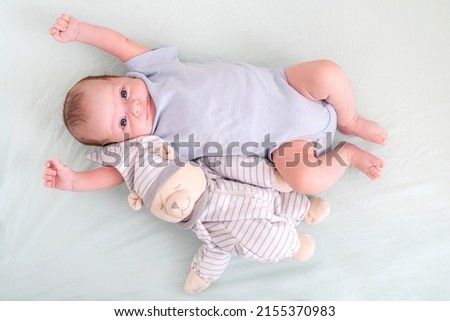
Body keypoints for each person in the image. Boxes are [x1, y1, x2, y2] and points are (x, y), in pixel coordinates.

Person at [43, 13, 387, 195]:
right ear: (126, 141)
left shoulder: (155, 71)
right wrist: (75, 181)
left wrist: (79, 32)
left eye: (121, 94)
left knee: (328, 73)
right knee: (305, 182)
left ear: (123, 76)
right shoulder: (153, 147)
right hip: (283, 144)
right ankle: (347, 155)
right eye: (122, 123)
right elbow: (116, 174)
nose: (132, 107)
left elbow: (120, 43)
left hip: (288, 86)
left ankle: (350, 119)